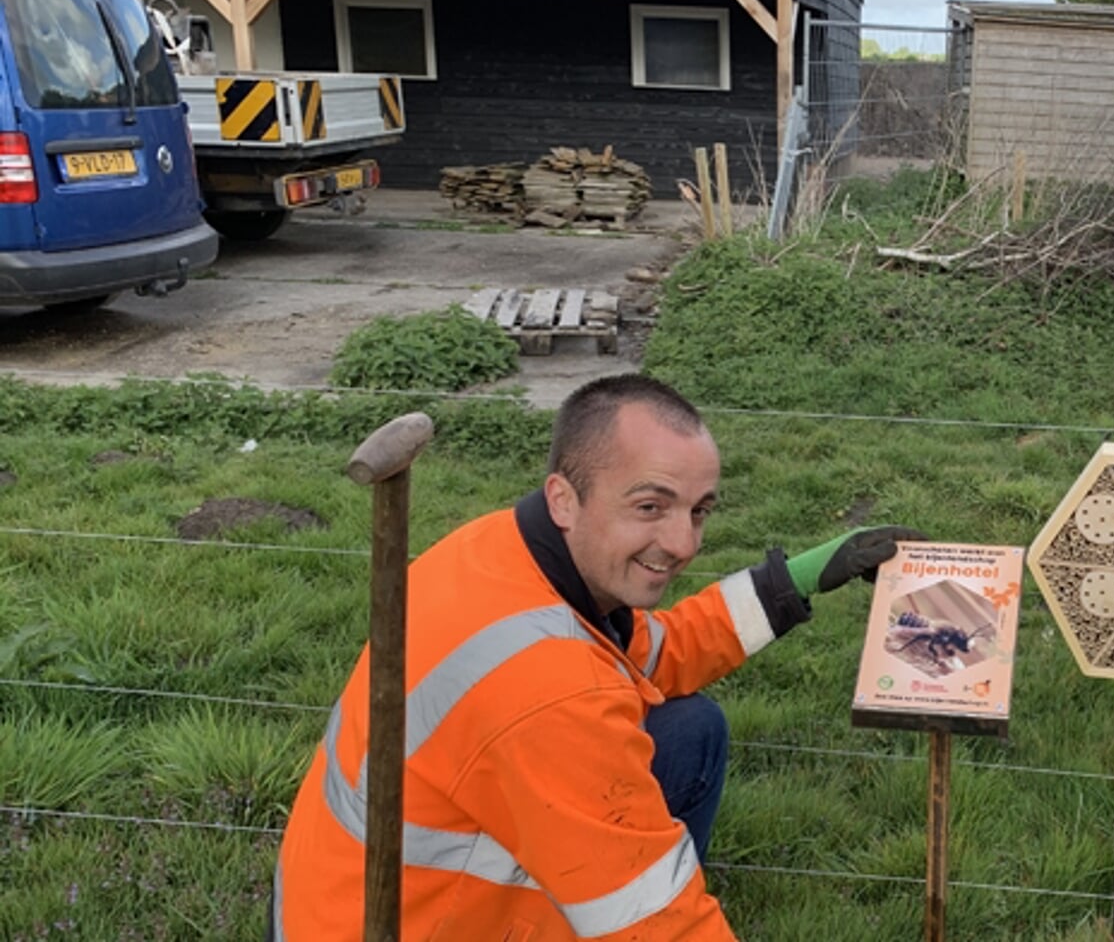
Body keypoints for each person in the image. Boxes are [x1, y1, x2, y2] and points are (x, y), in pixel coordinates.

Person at [272, 374, 922, 939]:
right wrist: (639, 894)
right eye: (650, 506)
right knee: (638, 888)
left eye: (698, 511)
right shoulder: (554, 690)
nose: (682, 542)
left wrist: (797, 580)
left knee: (689, 730)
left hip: (331, 900)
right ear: (563, 497)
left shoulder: (506, 552)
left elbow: (655, 651)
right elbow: (662, 928)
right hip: (412, 925)